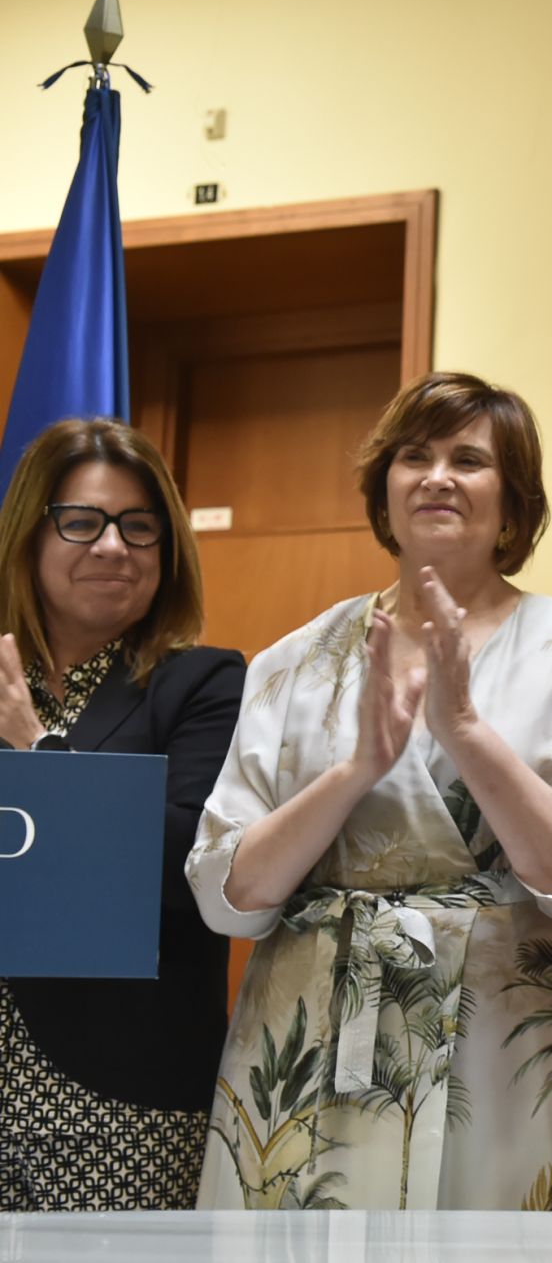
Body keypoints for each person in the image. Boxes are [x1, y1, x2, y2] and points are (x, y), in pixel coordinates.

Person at [186, 373, 552, 1211]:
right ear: (385, 486)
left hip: (506, 1040)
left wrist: (466, 733)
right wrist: (356, 769)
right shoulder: (293, 662)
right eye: (414, 456)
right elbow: (226, 897)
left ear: (515, 500)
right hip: (308, 1039)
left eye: (469, 459)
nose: (438, 476)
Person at [0, 419, 243, 1210]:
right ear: (30, 534)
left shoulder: (200, 686)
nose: (113, 547)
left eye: (140, 528)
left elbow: (185, 863)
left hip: (120, 1090)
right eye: (82, 521)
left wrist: (40, 752)